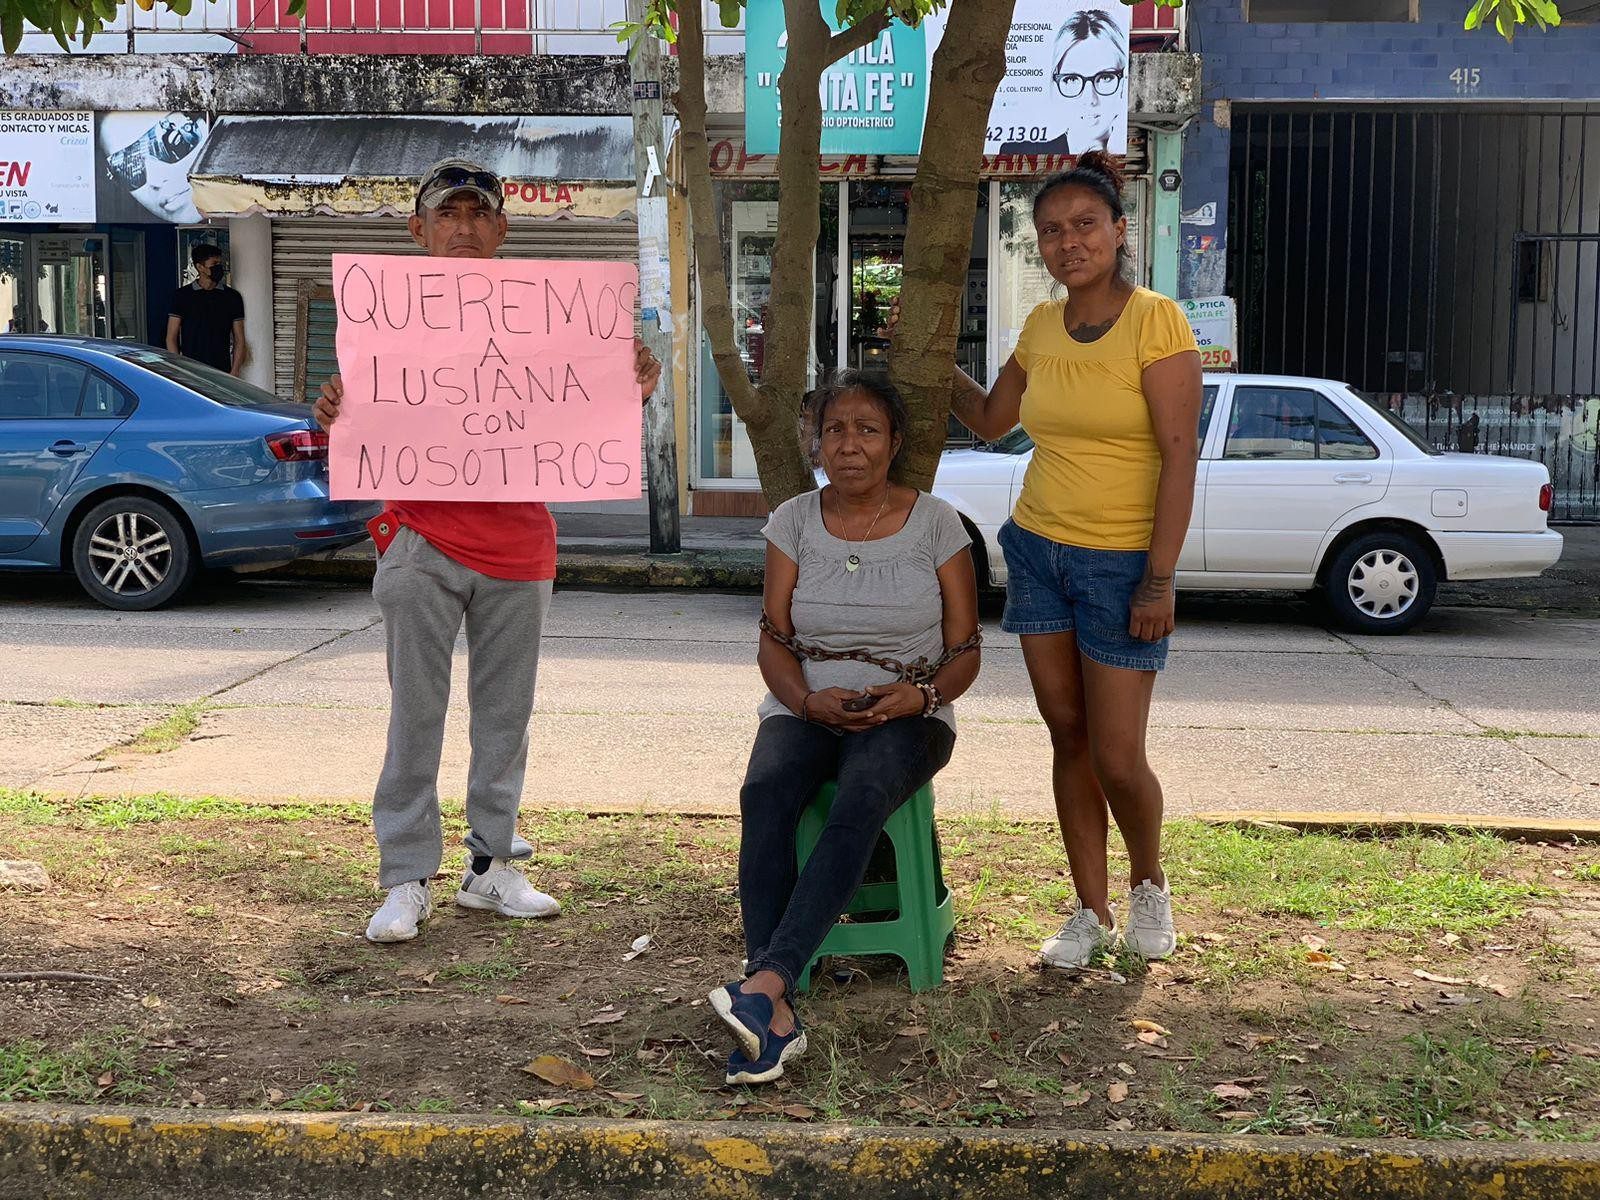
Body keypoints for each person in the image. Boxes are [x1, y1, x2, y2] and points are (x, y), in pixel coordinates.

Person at [313, 157, 663, 944]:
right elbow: (355, 416)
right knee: (417, 716)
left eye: (479, 215)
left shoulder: (552, 318)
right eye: (449, 215)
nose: (464, 228)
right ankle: (405, 876)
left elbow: (594, 408)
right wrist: (335, 408)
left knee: (505, 720)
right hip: (421, 543)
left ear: (503, 230)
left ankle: (491, 866)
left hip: (520, 548)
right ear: (419, 230)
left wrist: (635, 375)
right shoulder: (386, 322)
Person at [902, 151, 1201, 970]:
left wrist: (1160, 576)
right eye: (1052, 232)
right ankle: (1090, 910)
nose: (1069, 242)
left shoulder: (1157, 322)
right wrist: (929, 355)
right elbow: (996, 419)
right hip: (1037, 551)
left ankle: (1149, 884)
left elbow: (1181, 458)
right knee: (1066, 736)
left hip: (1122, 563)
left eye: (1085, 225)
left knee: (1117, 754)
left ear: (1118, 230)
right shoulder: (1040, 325)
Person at [710, 371, 982, 1085]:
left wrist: (916, 697)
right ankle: (775, 1006)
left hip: (909, 712)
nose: (850, 443)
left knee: (863, 796)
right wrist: (804, 702)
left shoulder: (937, 524)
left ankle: (765, 985)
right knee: (765, 792)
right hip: (809, 705)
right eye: (835, 429)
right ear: (816, 442)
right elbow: (773, 637)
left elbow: (965, 650)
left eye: (867, 429)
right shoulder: (794, 520)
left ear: (894, 443)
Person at [998, 9, 1127, 157]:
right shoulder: (1020, 154)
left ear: (1123, 82)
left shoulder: (1128, 153)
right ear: (1055, 85)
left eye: (1105, 78)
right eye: (1072, 79)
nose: (1090, 99)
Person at [166, 244, 246, 376]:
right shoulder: (182, 296)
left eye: (219, 263)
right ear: (200, 267)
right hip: (191, 370)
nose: (218, 268)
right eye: (214, 264)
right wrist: (179, 370)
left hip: (222, 370)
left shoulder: (232, 297)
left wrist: (235, 370)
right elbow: (171, 337)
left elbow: (239, 338)